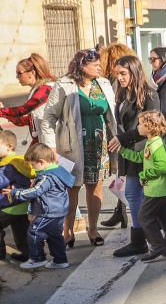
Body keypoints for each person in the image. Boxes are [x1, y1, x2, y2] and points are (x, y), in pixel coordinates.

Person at [40, 48, 118, 248]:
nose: (100, 67)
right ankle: (68, 232)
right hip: (71, 146)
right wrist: (50, 148)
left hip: (99, 145)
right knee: (71, 190)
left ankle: (93, 229)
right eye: (95, 64)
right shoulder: (65, 84)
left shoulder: (104, 83)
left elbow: (112, 115)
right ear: (82, 66)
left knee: (96, 188)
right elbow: (48, 117)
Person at [117, 111, 166, 262]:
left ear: (150, 127)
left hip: (157, 189)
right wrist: (122, 151)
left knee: (144, 216)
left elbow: (163, 165)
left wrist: (144, 175)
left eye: (142, 124)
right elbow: (140, 158)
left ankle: (158, 246)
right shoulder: (151, 142)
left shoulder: (155, 144)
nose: (139, 127)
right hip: (159, 189)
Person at [106, 56, 158, 257]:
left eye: (123, 73)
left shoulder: (149, 94)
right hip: (128, 152)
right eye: (117, 73)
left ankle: (146, 240)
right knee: (135, 196)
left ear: (134, 72)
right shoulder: (123, 93)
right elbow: (119, 123)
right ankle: (144, 240)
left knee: (139, 197)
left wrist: (122, 138)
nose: (119, 77)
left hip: (143, 150)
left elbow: (151, 125)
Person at [6, 143, 73, 270]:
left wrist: (15, 192)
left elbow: (36, 191)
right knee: (55, 237)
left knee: (34, 232)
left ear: (41, 162)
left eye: (33, 165)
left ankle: (37, 258)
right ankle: (60, 260)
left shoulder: (47, 176)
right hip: (58, 211)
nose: (32, 168)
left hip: (48, 212)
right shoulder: (57, 170)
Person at [0, 53, 57, 144]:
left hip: (52, 142)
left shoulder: (46, 88)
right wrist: (5, 114)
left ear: (32, 73)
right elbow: (28, 120)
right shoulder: (37, 90)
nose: (17, 77)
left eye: (19, 73)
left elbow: (23, 110)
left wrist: (2, 111)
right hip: (42, 140)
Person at [0, 130, 33, 262]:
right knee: (21, 231)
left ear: (9, 146)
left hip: (9, 205)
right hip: (21, 204)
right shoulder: (20, 161)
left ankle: (0, 254)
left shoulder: (9, 165)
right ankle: (28, 254)